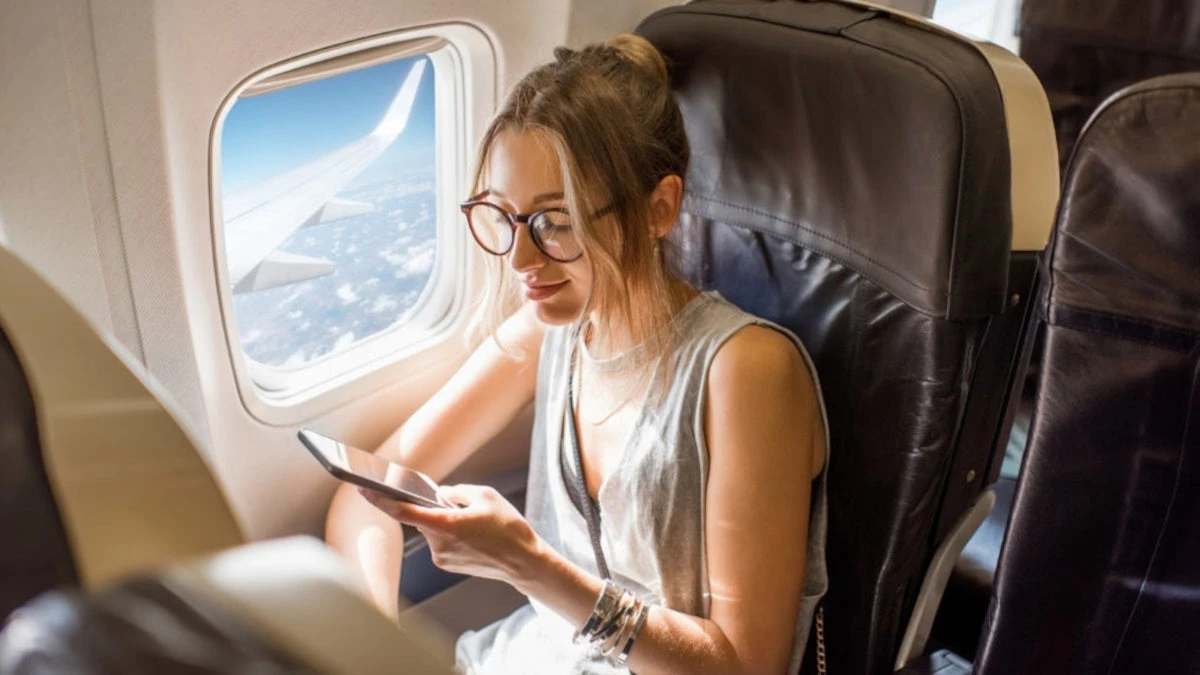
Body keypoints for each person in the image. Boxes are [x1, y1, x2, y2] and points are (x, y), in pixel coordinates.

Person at [325, 33, 829, 675]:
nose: (520, 260)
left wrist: (529, 564)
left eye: (555, 223)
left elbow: (744, 665)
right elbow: (365, 488)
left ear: (659, 209)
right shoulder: (549, 333)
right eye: (504, 217)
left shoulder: (747, 371)